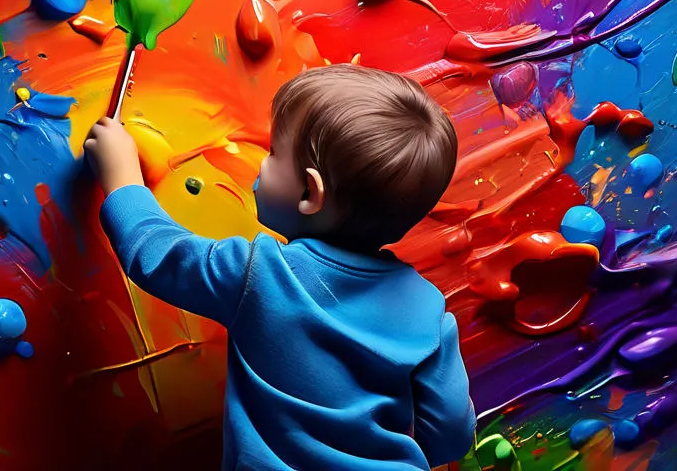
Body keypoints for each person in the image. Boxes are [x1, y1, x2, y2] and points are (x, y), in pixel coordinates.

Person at [85, 64, 476, 470]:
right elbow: (451, 435)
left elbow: (155, 253)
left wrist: (123, 178)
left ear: (310, 192)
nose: (261, 161)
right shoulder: (430, 312)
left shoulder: (260, 274)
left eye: (272, 153)